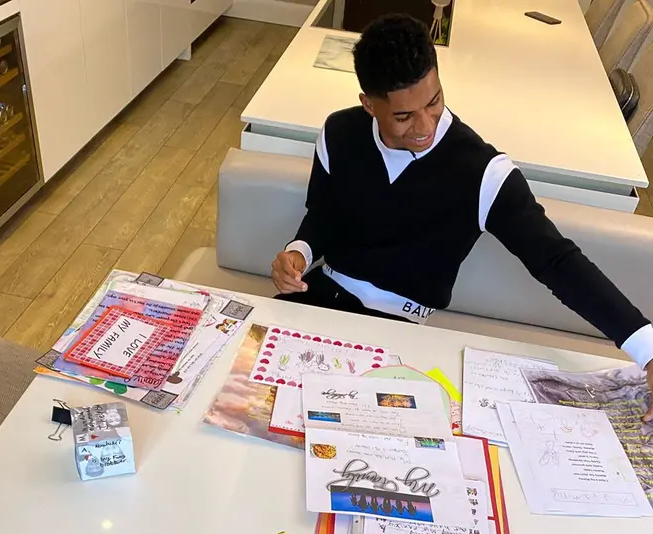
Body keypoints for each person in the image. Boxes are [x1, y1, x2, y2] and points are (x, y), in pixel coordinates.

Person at [271, 14, 653, 419]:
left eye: (433, 102)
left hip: (396, 330)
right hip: (314, 301)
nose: (425, 127)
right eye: (403, 116)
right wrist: (299, 252)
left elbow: (557, 261)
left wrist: (646, 350)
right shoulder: (339, 132)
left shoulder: (482, 171)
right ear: (369, 104)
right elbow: (323, 214)